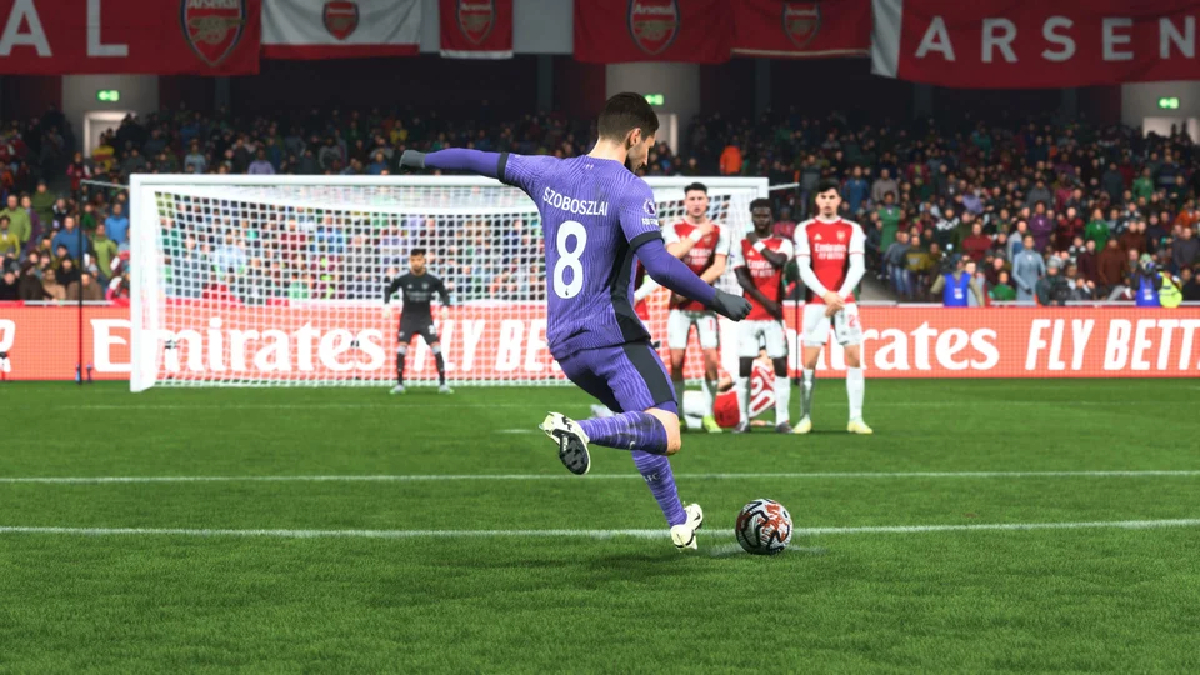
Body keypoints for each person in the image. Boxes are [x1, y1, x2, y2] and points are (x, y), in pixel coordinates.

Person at [398, 92, 750, 550]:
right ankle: (580, 429)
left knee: (640, 422)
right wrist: (719, 299)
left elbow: (480, 160)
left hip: (566, 345)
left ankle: (679, 522)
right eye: (649, 145)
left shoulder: (548, 172)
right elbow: (661, 267)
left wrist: (424, 159)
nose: (648, 157)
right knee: (666, 430)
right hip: (614, 336)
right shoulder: (629, 189)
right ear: (634, 136)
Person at [794, 179, 870, 436]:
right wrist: (826, 295)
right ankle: (805, 418)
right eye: (823, 197)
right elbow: (804, 269)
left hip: (845, 302)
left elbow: (858, 267)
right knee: (810, 360)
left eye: (832, 197)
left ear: (839, 201)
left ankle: (856, 419)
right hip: (817, 302)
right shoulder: (805, 229)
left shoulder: (852, 229)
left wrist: (839, 297)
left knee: (855, 357)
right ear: (817, 200)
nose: (827, 201)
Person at [663, 182, 730, 433]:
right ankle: (678, 414)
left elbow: (719, 267)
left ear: (707, 201)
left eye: (700, 198)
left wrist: (692, 289)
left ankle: (709, 415)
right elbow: (673, 254)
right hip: (678, 307)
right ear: (685, 202)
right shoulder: (673, 228)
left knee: (711, 360)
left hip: (705, 304)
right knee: (676, 361)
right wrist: (696, 234)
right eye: (692, 199)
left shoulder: (721, 230)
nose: (697, 203)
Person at [733, 199, 793, 434]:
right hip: (750, 314)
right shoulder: (741, 244)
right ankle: (743, 420)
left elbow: (778, 262)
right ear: (751, 217)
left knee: (780, 363)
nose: (761, 219)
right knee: (744, 363)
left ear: (772, 217)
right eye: (757, 215)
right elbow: (742, 279)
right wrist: (766, 302)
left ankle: (782, 420)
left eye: (765, 215)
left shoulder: (783, 244)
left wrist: (757, 244)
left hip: (773, 318)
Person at [383, 249, 452, 394]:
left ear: (424, 261)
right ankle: (399, 384)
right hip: (407, 318)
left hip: (425, 319)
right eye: (413, 260)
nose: (416, 263)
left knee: (437, 348)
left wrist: (445, 307)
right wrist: (387, 305)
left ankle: (443, 384)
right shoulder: (403, 277)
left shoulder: (432, 278)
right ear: (410, 261)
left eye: (419, 260)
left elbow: (444, 293)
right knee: (401, 349)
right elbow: (388, 289)